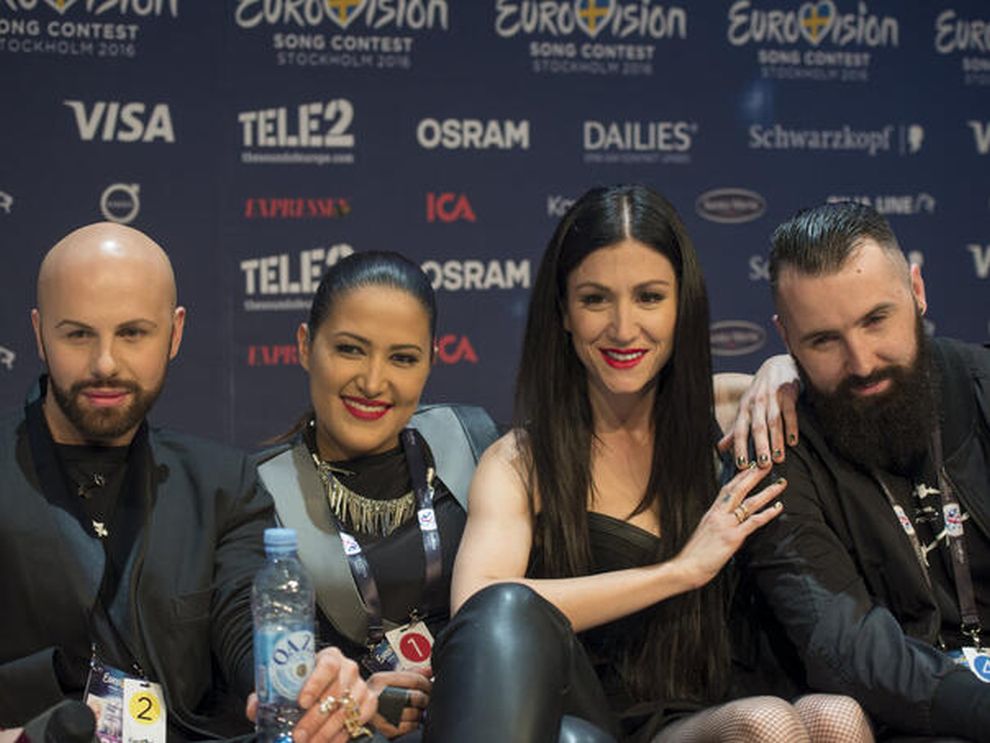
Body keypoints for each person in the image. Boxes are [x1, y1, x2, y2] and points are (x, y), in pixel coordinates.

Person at [421, 185, 873, 742]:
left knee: (837, 716)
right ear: (563, 311)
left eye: (649, 298)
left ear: (683, 304)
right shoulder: (520, 462)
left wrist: (786, 366)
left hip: (728, 697)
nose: (623, 327)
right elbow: (482, 606)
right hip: (606, 722)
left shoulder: (740, 408)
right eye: (595, 299)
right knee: (765, 724)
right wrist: (678, 571)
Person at [0, 222, 375, 742]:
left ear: (174, 333)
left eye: (133, 333)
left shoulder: (222, 483)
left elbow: (250, 626)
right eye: (78, 334)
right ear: (40, 333)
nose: (105, 363)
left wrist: (306, 680)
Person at [739, 201, 990, 741]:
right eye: (823, 340)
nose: (861, 361)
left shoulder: (982, 386)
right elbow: (844, 647)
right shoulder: (776, 454)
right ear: (786, 339)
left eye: (876, 320)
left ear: (917, 291)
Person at [256, 251, 500, 740]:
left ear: (431, 360)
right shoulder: (259, 492)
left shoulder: (474, 441)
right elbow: (270, 669)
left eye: (403, 358)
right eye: (350, 350)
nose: (372, 382)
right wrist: (355, 700)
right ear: (305, 346)